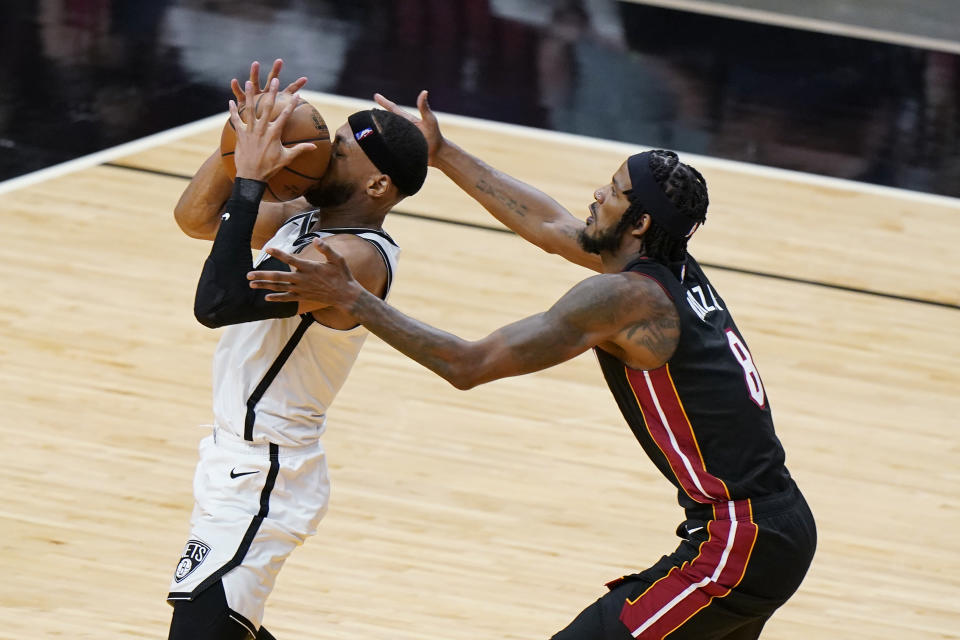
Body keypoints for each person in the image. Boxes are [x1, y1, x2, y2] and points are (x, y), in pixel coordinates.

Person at [247, 90, 817, 640]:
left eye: (614, 190)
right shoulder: (670, 266)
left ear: (639, 223)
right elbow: (545, 225)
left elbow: (467, 364)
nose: (598, 193)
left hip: (737, 539)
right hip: (774, 527)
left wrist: (353, 299)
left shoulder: (627, 300)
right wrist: (442, 153)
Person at [165, 61, 429, 640]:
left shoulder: (352, 260)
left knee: (201, 629)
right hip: (232, 456)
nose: (315, 149)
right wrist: (237, 142)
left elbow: (217, 304)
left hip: (267, 471)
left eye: (334, 150)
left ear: (378, 185)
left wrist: (251, 179)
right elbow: (197, 218)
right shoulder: (303, 218)